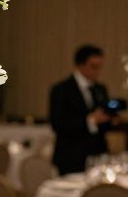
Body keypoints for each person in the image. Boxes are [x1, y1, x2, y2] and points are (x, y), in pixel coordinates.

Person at [49, 44, 115, 175]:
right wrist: (90, 120)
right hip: (71, 156)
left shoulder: (100, 89)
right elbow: (58, 124)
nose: (98, 71)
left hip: (97, 155)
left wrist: (110, 120)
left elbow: (103, 124)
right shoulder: (61, 90)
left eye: (99, 67)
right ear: (80, 65)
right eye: (93, 66)